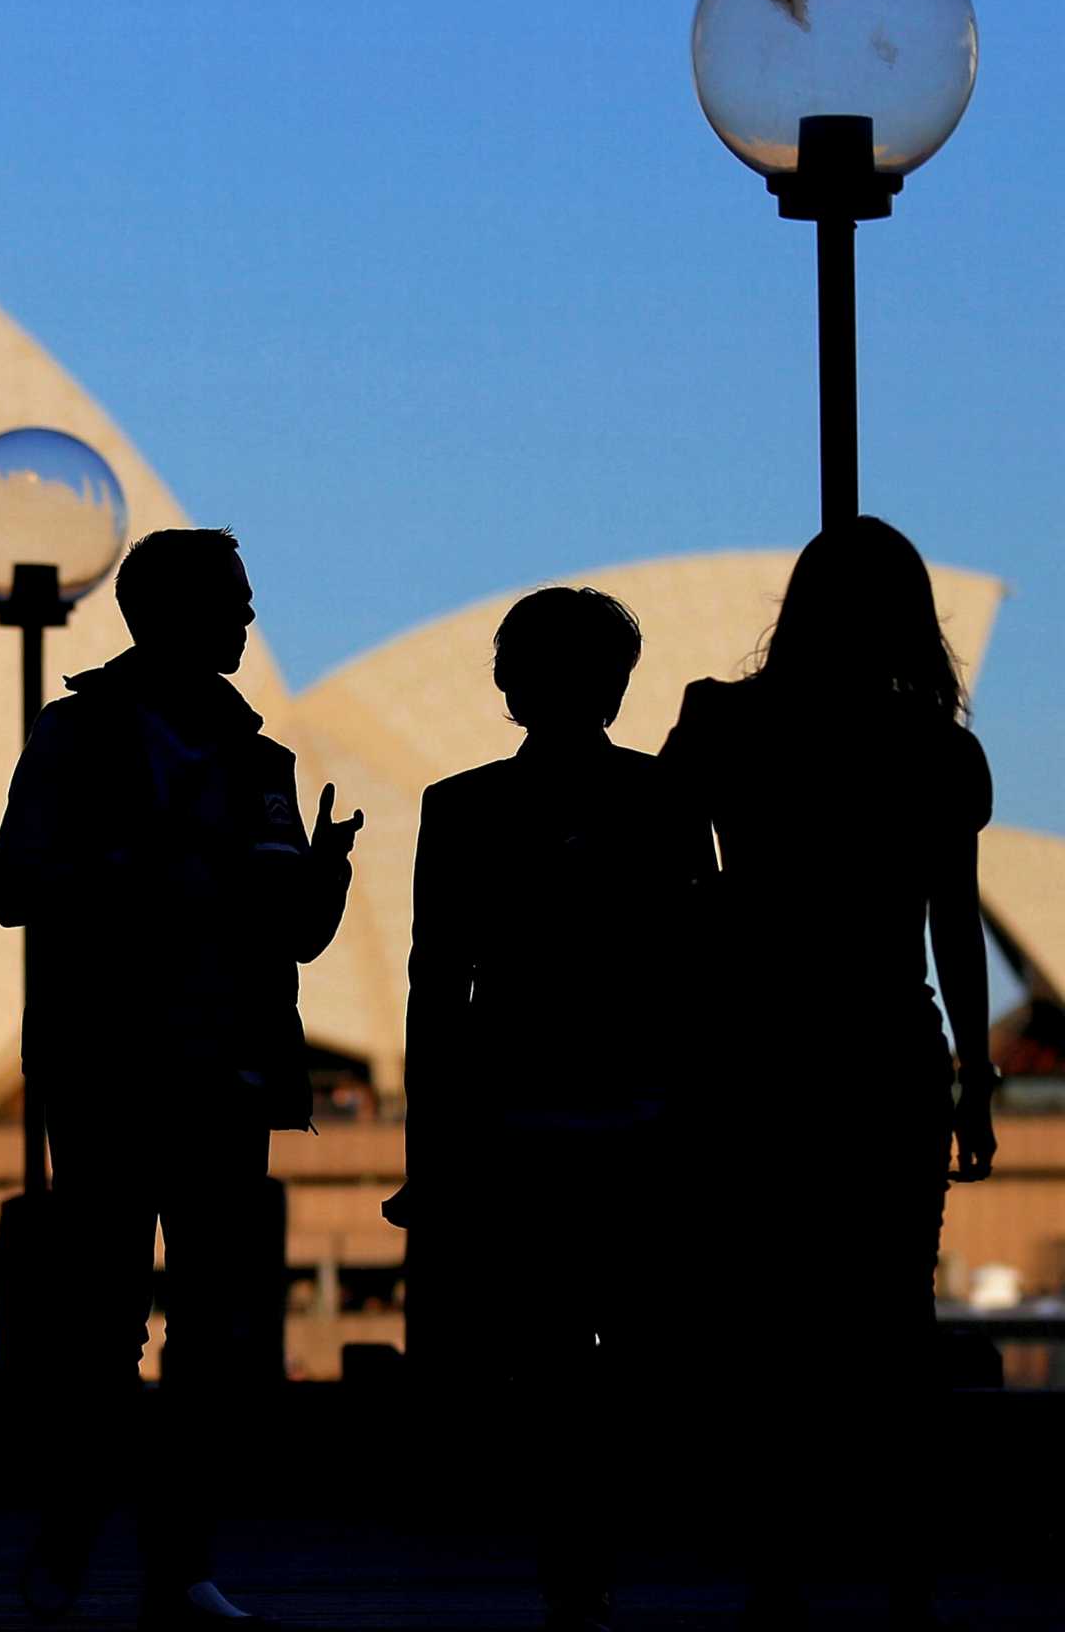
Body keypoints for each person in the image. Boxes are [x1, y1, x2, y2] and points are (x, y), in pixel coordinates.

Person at [0, 527, 362, 1628]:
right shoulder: (74, 735)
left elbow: (292, 936)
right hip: (108, 1064)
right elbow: (16, 886)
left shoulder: (260, 761)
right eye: (232, 603)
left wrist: (324, 881)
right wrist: (160, 858)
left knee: (215, 1328)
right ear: (167, 613)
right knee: (100, 1321)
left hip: (227, 1072)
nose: (249, 622)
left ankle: (178, 1561)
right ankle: (65, 1547)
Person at [657, 517, 997, 1631]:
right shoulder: (935, 748)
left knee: (768, 1317)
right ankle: (906, 1569)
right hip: (887, 1046)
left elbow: (656, 864)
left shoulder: (722, 720)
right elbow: (953, 923)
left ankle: (774, 1571)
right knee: (892, 1316)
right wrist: (977, 1080)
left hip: (752, 1046)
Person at [386, 586, 714, 1632]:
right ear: (617, 683)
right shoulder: (668, 801)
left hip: (514, 1121)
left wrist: (427, 1151)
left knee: (550, 1359)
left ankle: (572, 1567)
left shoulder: (462, 807)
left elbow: (434, 989)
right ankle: (593, 1559)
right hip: (638, 1120)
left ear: (505, 684)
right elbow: (700, 976)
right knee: (628, 1357)